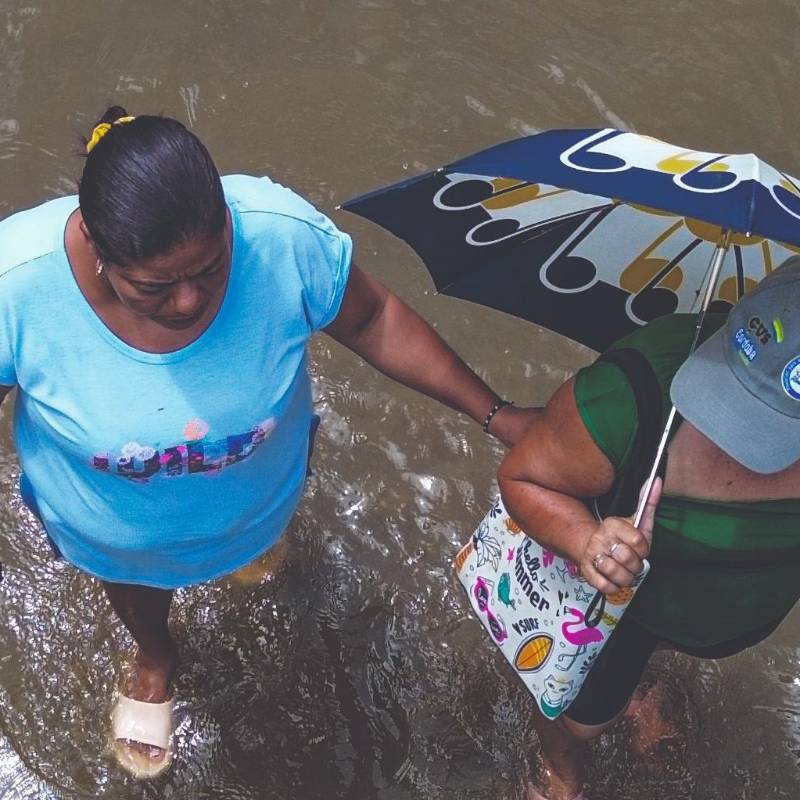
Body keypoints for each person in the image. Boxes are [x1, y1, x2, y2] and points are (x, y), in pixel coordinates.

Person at [0, 107, 537, 778]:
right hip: (122, 536)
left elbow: (373, 318)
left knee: (264, 541)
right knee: (139, 590)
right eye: (155, 287)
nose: (191, 301)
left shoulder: (279, 236)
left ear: (227, 218)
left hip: (265, 491)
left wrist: (496, 413)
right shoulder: (16, 286)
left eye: (212, 268)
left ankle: (256, 544)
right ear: (96, 247)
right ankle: (155, 656)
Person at [497, 257, 800, 800]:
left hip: (733, 616)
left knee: (658, 654)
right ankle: (559, 766)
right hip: (627, 600)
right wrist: (585, 539)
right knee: (577, 717)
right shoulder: (634, 390)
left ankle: (646, 681)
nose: (734, 442)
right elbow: (523, 476)